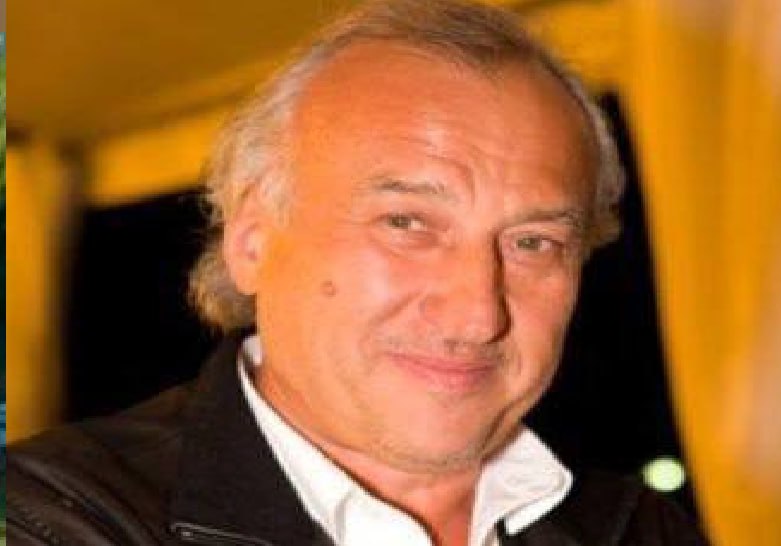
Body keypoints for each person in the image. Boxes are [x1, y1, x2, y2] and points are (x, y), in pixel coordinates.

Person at [7, 1, 709, 544]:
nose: (477, 314)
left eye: (532, 242)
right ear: (251, 241)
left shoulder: (638, 528)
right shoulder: (48, 518)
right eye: (407, 224)